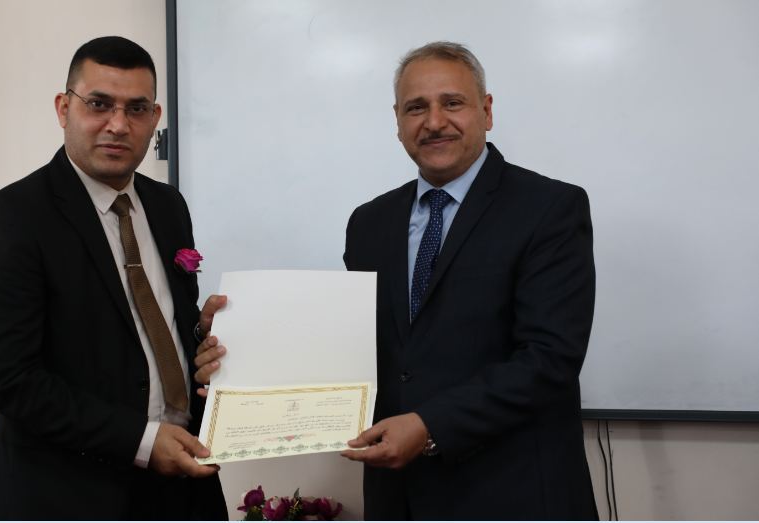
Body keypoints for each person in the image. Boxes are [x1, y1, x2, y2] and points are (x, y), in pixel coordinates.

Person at [196, 41, 597, 520]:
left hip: (513, 493)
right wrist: (240, 361)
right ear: (398, 121)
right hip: (398, 497)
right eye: (416, 108)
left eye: (452, 103)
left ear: (487, 111)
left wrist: (430, 426)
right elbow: (359, 347)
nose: (434, 122)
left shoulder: (549, 208)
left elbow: (549, 358)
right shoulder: (371, 222)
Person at [0, 36, 227, 520]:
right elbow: (6, 377)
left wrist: (202, 336)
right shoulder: (15, 214)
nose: (118, 125)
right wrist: (142, 441)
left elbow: (152, 329)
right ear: (64, 108)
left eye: (137, 108)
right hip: (67, 493)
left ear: (155, 116)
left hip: (183, 484)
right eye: (99, 104)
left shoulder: (168, 206)